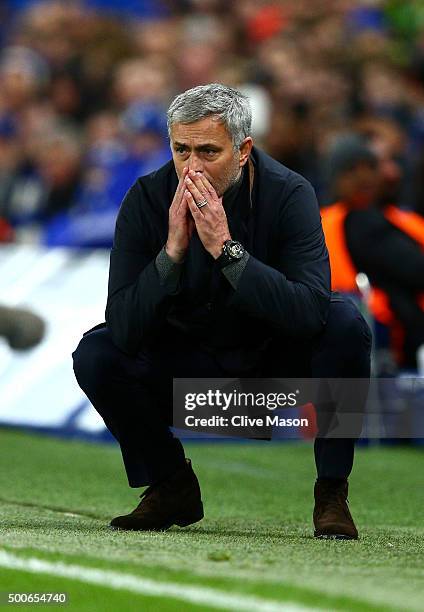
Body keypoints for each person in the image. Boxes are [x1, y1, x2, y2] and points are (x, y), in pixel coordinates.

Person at [73, 84, 371, 539]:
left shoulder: (290, 193)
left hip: (271, 376)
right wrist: (170, 254)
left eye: (208, 151)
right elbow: (126, 327)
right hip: (192, 372)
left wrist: (226, 251)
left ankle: (332, 490)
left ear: (244, 149)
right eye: (181, 150)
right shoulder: (148, 198)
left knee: (346, 324)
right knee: (96, 352)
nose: (192, 167)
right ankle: (170, 483)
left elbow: (309, 313)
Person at [321, 133, 424, 369]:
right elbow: (416, 269)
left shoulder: (393, 216)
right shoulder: (361, 221)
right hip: (388, 344)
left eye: (370, 167)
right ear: (335, 180)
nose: (364, 176)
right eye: (352, 170)